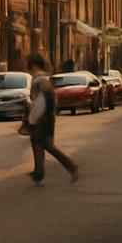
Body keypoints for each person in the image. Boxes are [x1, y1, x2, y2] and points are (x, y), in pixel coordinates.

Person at [22, 54, 78, 184]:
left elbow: (39, 103)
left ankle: (71, 166)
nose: (29, 70)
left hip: (42, 120)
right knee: (36, 142)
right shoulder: (45, 80)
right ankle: (39, 172)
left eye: (29, 67)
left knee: (47, 145)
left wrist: (33, 119)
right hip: (48, 118)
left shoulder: (39, 81)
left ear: (34, 67)